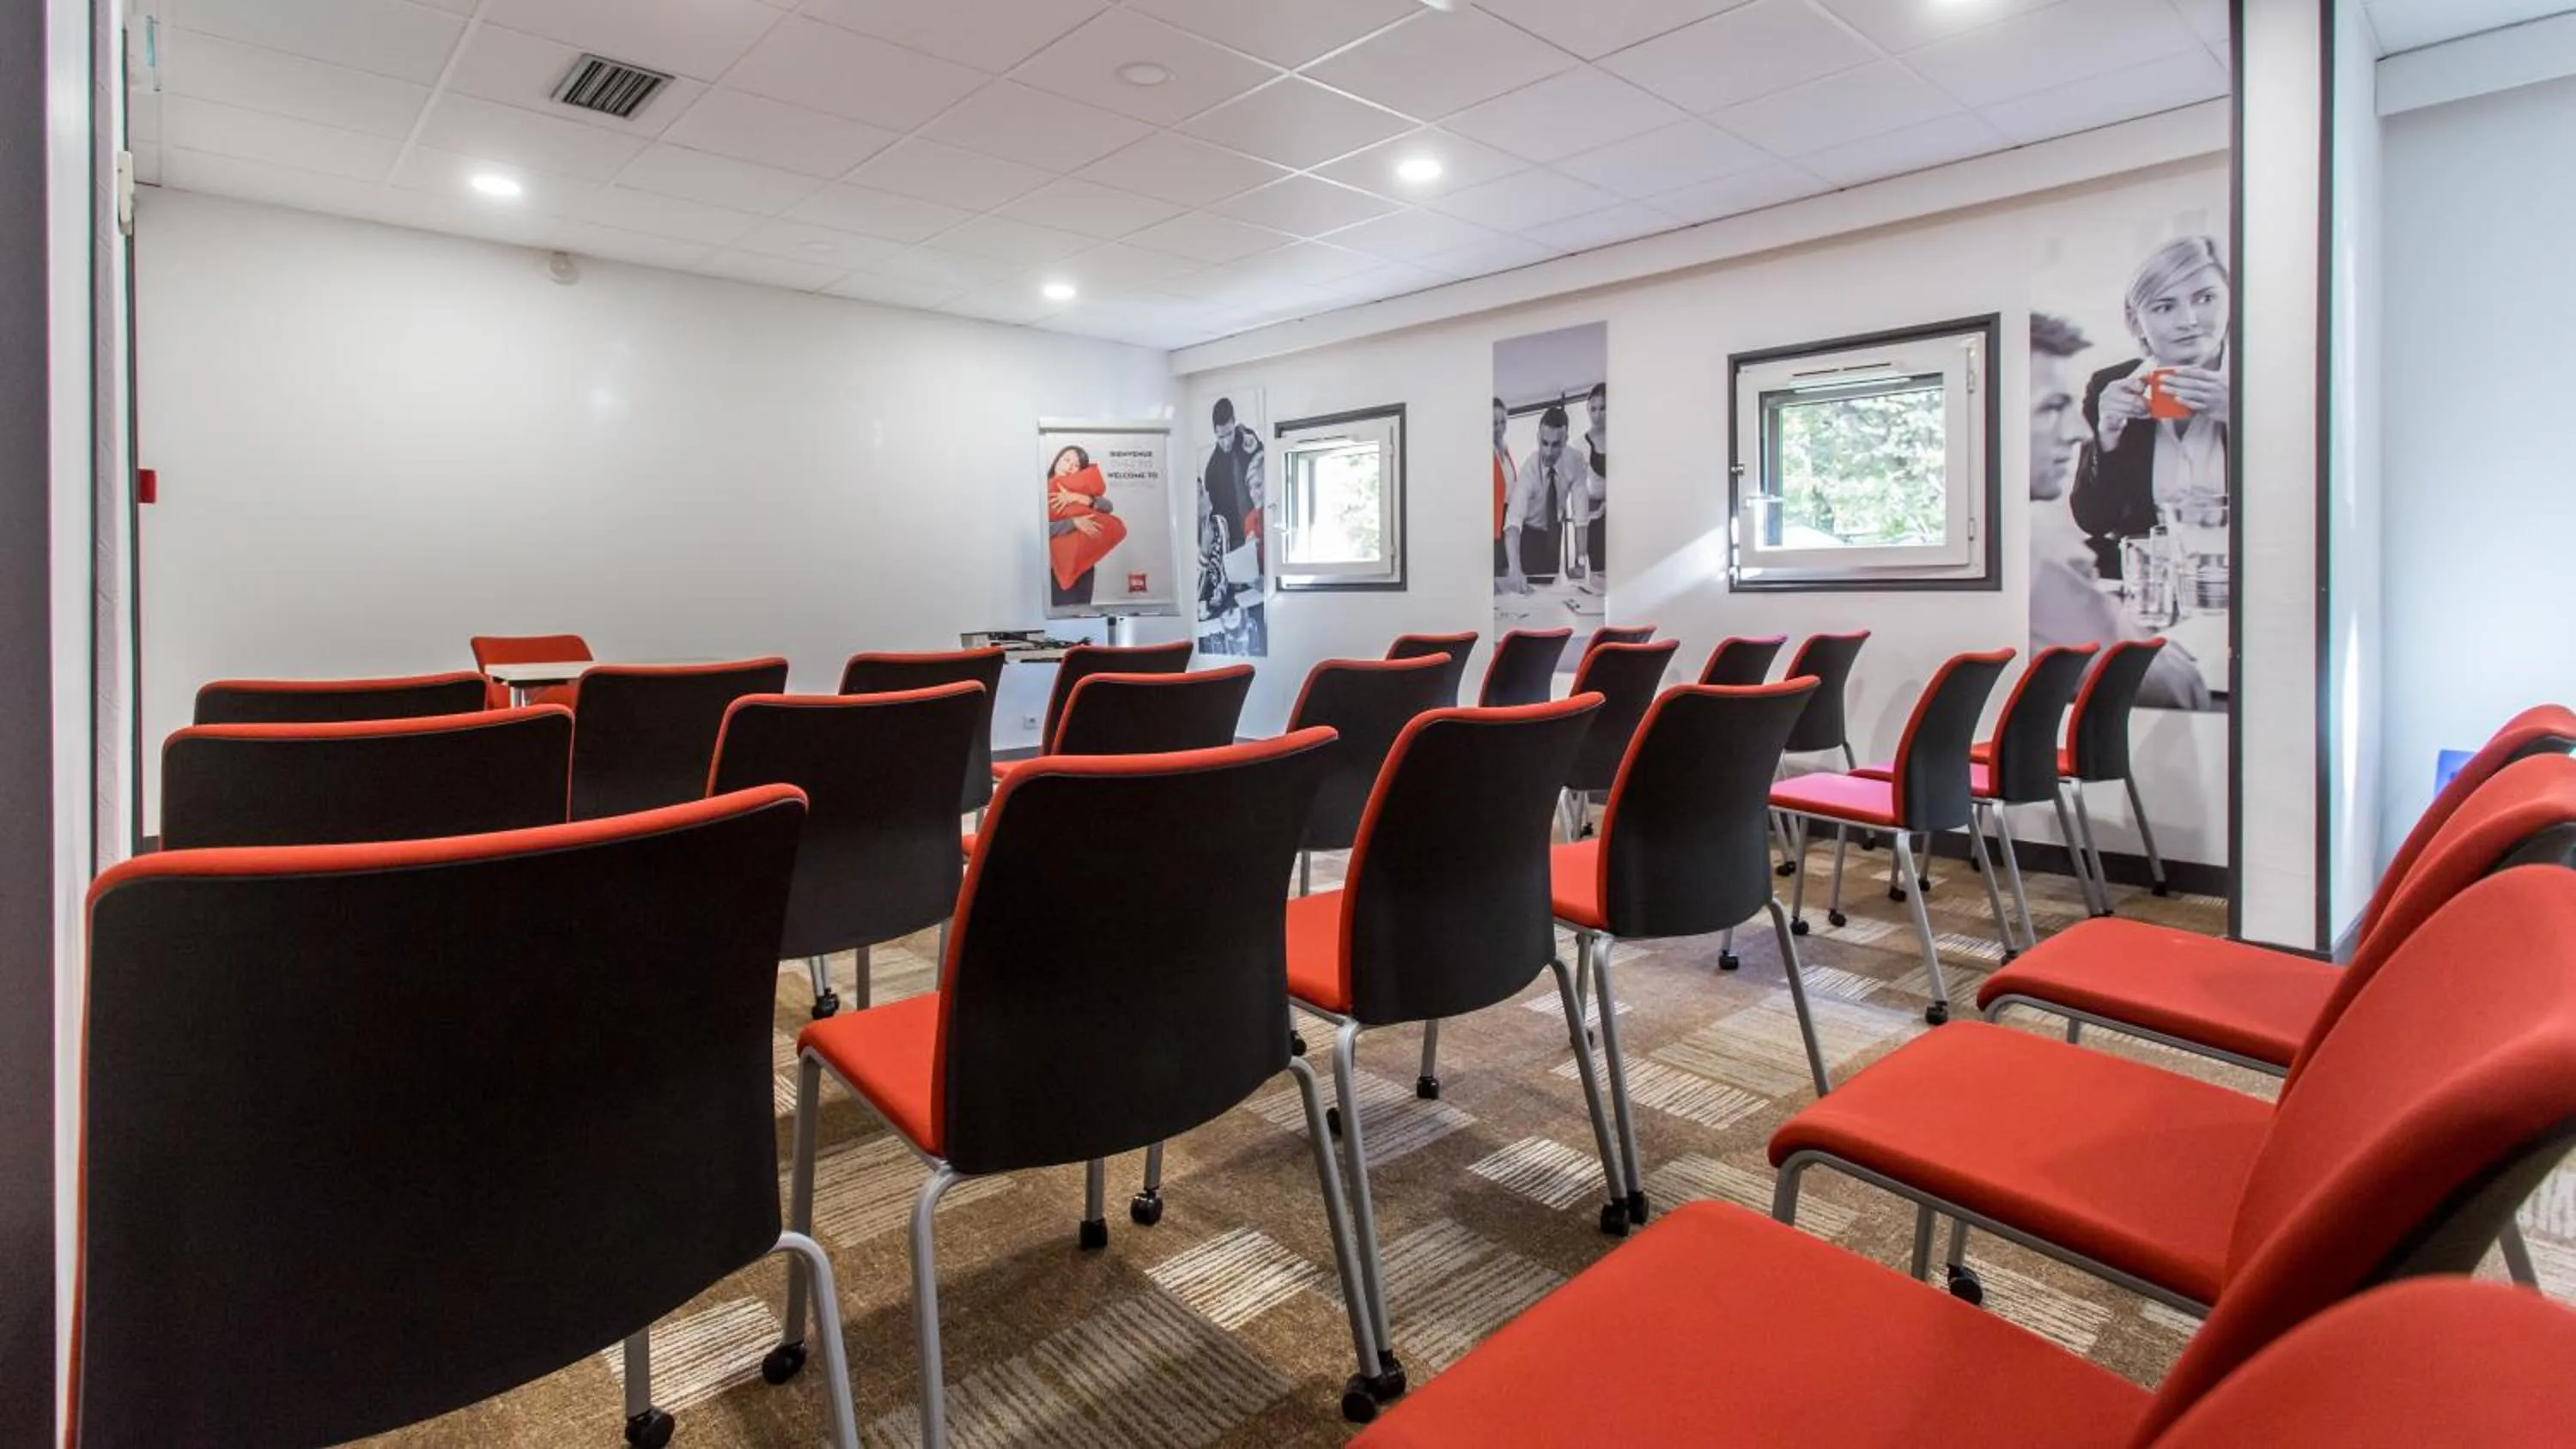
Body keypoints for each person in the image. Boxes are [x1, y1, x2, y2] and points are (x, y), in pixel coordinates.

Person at [2030, 312, 2210, 712]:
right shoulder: (2041, 561)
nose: (2080, 431)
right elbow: (2172, 688)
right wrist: (2109, 434)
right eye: (2051, 408)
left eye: (2204, 299)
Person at [2072, 235, 2231, 577]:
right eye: (2164, 307)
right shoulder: (2110, 385)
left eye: (2205, 298)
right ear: (2135, 322)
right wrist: (2108, 436)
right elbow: (2094, 520)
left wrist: (2241, 417)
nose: (2189, 320)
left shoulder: (2265, 380)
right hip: (2147, 584)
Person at [1199, 397, 1267, 655]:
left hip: (1260, 527)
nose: (1225, 441)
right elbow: (1216, 518)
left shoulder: (1248, 443)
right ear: (1214, 433)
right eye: (1220, 437)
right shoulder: (1212, 469)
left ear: (1234, 424)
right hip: (1235, 541)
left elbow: (1263, 468)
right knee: (1243, 599)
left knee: (1263, 595)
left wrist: (1247, 435)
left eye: (1228, 434)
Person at [1500, 404, 1571, 595]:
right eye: (1544, 443)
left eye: (1556, 445)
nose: (1548, 452)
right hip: (1530, 538)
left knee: (1551, 591)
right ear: (1538, 437)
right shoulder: (1529, 471)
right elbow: (1513, 522)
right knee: (1528, 595)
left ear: (1565, 440)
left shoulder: (1573, 463)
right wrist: (1515, 569)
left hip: (1554, 534)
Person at [1044, 444, 1119, 609]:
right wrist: (1073, 523)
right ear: (1057, 460)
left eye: (1076, 465)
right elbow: (1039, 529)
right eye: (1066, 460)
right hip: (1054, 567)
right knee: (1060, 615)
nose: (1069, 467)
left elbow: (1108, 507)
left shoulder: (1079, 488)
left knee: (1082, 614)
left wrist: (1080, 498)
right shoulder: (1040, 488)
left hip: (1083, 566)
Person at [1572, 382, 1606, 593]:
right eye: (1593, 409)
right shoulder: (1579, 446)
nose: (1597, 414)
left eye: (1603, 408)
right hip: (1594, 519)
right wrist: (1580, 553)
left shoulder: (1624, 439)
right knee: (1599, 580)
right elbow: (1579, 496)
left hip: (1624, 514)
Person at [1491, 397, 1516, 577]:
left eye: (1503, 422)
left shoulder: (1505, 450)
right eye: (1494, 423)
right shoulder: (1483, 451)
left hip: (1507, 519)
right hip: (1493, 521)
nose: (1499, 428)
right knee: (1495, 573)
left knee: (1506, 572)